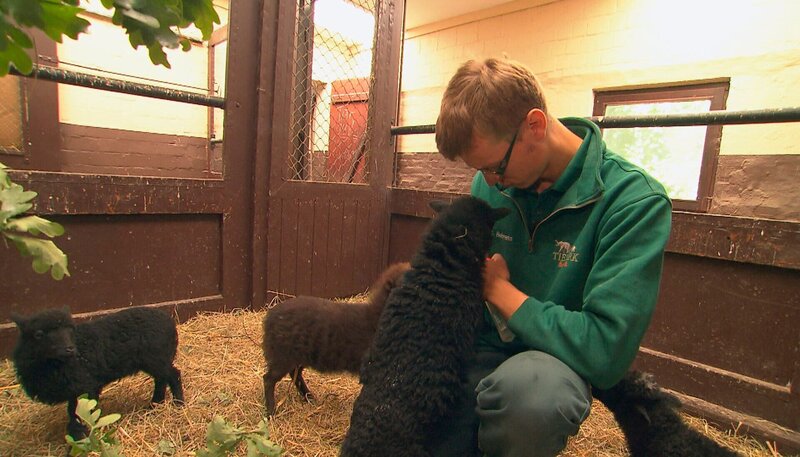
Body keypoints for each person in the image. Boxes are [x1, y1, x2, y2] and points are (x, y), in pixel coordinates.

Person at [432, 58, 673, 457]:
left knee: (530, 400)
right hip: (481, 342)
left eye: (495, 167)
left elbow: (605, 352)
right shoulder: (492, 182)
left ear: (535, 126)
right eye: (481, 171)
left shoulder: (633, 202)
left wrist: (500, 290)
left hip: (551, 361)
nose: (489, 182)